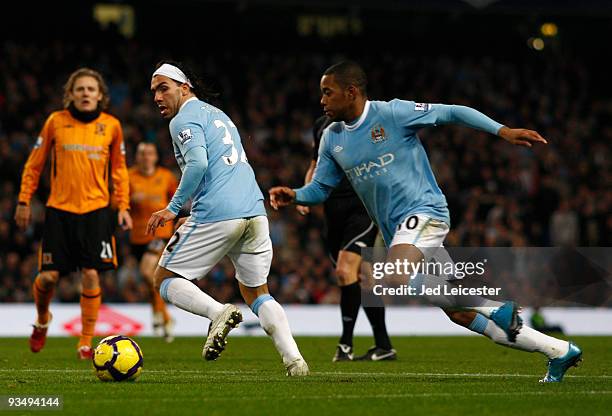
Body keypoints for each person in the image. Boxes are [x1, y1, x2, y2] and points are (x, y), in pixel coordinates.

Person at [269, 60, 582, 382]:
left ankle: (493, 305)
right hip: (400, 233)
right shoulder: (332, 138)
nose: (321, 100)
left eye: (327, 92)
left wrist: (502, 131)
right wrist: (294, 195)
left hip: (425, 212)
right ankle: (557, 350)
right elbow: (320, 188)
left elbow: (451, 112)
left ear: (351, 92)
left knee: (393, 274)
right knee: (460, 313)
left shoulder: (391, 113)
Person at [147, 60, 308, 376]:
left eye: (163, 88)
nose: (157, 97)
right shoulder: (218, 115)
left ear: (185, 87)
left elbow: (198, 166)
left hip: (219, 212)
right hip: (254, 210)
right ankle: (295, 361)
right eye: (153, 91)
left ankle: (218, 312)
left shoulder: (182, 120)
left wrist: (173, 208)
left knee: (163, 279)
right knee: (257, 293)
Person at [15, 67, 132, 359]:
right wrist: (23, 200)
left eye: (91, 89)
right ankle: (43, 320)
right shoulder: (56, 122)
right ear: (71, 94)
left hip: (96, 211)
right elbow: (34, 164)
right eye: (80, 89)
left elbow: (119, 170)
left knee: (91, 274)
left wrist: (124, 206)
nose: (85, 94)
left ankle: (85, 341)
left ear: (100, 96)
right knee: (49, 279)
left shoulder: (112, 126)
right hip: (60, 210)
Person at [298, 115, 394, 361]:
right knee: (364, 277)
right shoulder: (320, 126)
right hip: (333, 211)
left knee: (344, 270)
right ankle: (384, 346)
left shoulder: (370, 123)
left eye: (329, 93)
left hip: (363, 208)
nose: (324, 100)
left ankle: (345, 345)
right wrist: (303, 195)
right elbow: (314, 165)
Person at [129, 142, 178, 342]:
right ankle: (164, 317)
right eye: (142, 153)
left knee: (147, 271)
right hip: (137, 237)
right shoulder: (129, 177)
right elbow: (118, 202)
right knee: (151, 280)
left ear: (155, 157)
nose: (146, 157)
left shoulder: (166, 177)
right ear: (137, 157)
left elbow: (177, 202)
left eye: (149, 153)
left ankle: (161, 315)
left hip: (160, 233)